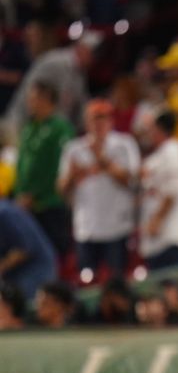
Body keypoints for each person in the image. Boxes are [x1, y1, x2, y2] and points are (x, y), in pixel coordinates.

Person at [58, 99, 141, 279]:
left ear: (111, 120)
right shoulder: (74, 148)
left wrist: (101, 159)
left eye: (103, 117)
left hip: (117, 226)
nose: (99, 123)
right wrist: (73, 175)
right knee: (87, 281)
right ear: (87, 121)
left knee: (117, 280)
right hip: (87, 227)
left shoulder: (124, 144)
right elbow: (61, 189)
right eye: (95, 118)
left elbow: (132, 181)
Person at [14, 80, 75, 257]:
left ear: (46, 99)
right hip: (26, 204)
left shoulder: (60, 128)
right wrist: (20, 194)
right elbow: (22, 165)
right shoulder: (29, 128)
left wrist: (33, 194)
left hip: (50, 202)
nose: (29, 102)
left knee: (55, 252)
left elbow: (58, 166)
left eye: (33, 98)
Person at [138, 111, 178, 270]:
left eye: (151, 128)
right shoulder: (163, 152)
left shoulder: (172, 150)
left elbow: (174, 190)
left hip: (171, 232)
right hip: (163, 234)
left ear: (159, 129)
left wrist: (157, 220)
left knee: (170, 283)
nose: (148, 132)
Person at [0, 199, 57, 301]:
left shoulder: (4, 212)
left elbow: (24, 249)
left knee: (28, 309)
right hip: (15, 275)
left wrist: (2, 266)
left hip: (35, 270)